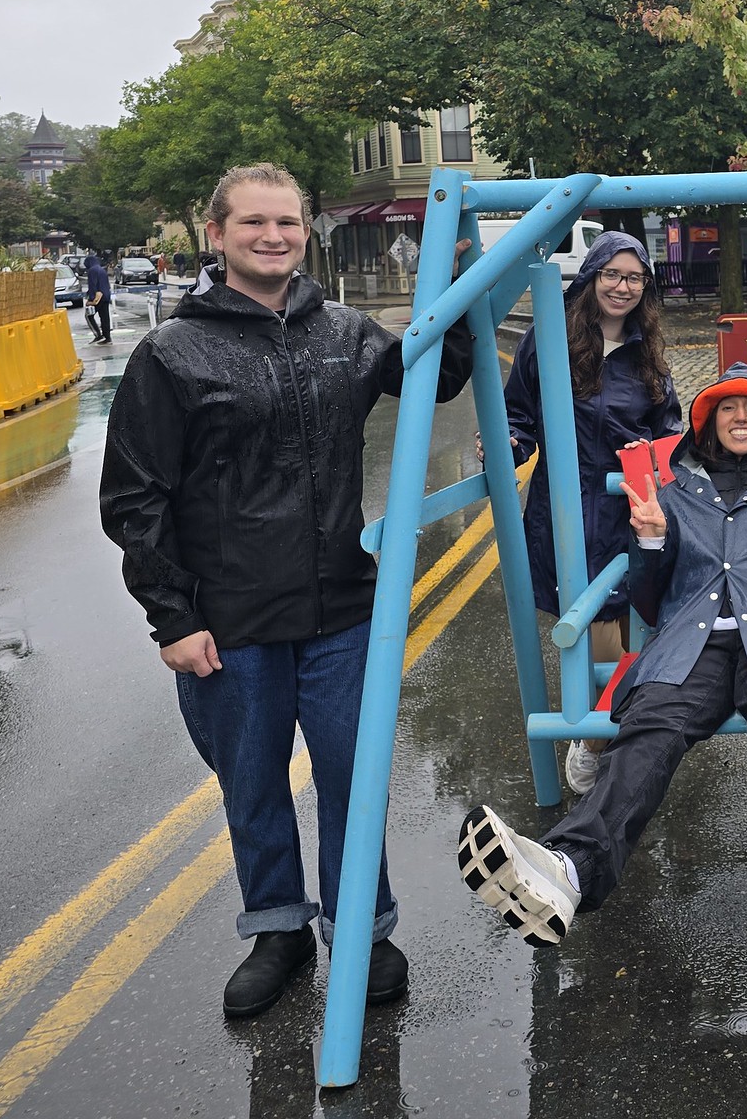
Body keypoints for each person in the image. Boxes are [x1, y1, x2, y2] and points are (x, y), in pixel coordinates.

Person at [100, 163, 475, 1017]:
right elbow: (134, 496)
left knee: (354, 774)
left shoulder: (344, 332)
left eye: (288, 223)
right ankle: (278, 931)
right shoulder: (173, 353)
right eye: (254, 224)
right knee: (254, 781)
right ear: (217, 236)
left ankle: (363, 932)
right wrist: (173, 617)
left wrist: (455, 285)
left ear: (307, 233)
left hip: (343, 608)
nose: (273, 237)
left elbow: (439, 379)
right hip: (229, 622)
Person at [457, 365, 747, 947]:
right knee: (648, 731)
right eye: (727, 408)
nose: (741, 417)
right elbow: (646, 599)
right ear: (707, 424)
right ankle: (568, 871)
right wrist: (650, 542)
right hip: (689, 645)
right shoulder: (672, 495)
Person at [499, 232, 683, 796]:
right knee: (595, 631)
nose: (623, 288)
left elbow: (667, 429)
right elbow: (519, 414)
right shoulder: (546, 341)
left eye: (634, 278)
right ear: (591, 277)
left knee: (644, 631)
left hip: (631, 506)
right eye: (612, 275)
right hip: (567, 509)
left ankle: (609, 737)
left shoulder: (646, 353)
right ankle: (597, 738)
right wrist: (507, 441)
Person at [82, 251, 112, 344]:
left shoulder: (92, 271)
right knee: (105, 317)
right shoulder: (101, 270)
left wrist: (90, 299)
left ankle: (98, 335)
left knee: (89, 316)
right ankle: (107, 337)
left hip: (97, 298)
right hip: (106, 296)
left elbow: (93, 285)